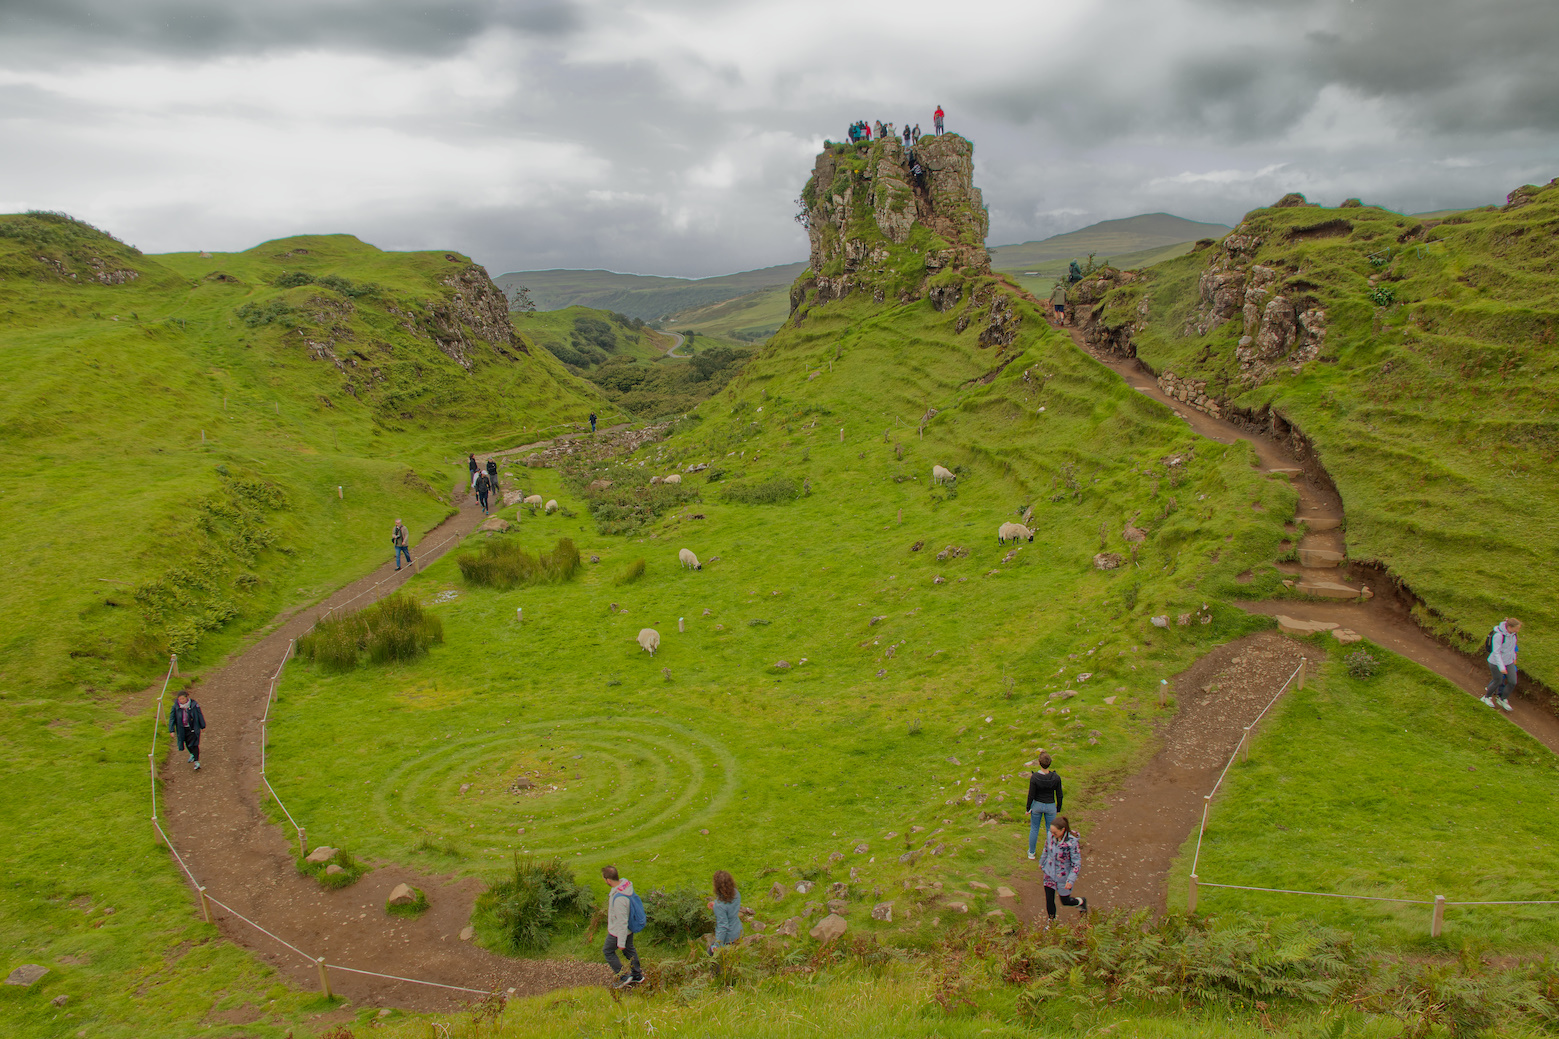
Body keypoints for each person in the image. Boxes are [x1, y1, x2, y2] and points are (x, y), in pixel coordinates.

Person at [601, 866, 644, 988]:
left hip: (618, 932)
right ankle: (637, 975)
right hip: (629, 929)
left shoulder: (619, 899)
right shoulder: (626, 885)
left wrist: (620, 942)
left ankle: (623, 977)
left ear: (608, 880)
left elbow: (622, 922)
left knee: (608, 951)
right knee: (630, 950)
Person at [1039, 816, 1087, 923]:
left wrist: (1070, 880)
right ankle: (1052, 921)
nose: (1052, 835)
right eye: (1051, 832)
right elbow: (1046, 849)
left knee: (1065, 901)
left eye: (1055, 833)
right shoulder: (1050, 836)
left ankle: (1080, 902)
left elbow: (1076, 863)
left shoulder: (1072, 843)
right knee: (1049, 899)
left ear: (1063, 830)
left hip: (1063, 877)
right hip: (1049, 873)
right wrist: (1041, 862)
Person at [1025, 752, 1063, 859]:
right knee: (1050, 830)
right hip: (1050, 806)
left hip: (1037, 805)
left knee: (1034, 828)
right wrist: (1058, 808)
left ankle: (1031, 853)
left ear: (1039, 763)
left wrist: (1028, 808)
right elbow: (1059, 795)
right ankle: (1051, 853)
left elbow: (1031, 794)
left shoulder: (1035, 777)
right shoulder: (1056, 778)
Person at [1482, 618, 1522, 712]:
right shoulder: (1499, 636)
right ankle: (1486, 697)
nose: (1518, 631)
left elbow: (1512, 648)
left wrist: (1514, 658)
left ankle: (1502, 699)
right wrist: (1501, 667)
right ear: (1510, 627)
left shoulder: (1513, 634)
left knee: (1513, 682)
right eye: (1516, 628)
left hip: (1508, 662)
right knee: (1498, 681)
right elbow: (1496, 653)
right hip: (1496, 663)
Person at [169, 691, 207, 771]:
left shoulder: (194, 705)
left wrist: (202, 725)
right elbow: (172, 718)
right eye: (180, 699)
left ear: (186, 697)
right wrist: (171, 730)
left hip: (193, 727)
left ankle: (196, 761)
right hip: (182, 728)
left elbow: (199, 714)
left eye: (183, 698)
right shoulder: (175, 707)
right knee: (187, 743)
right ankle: (192, 754)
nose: (182, 700)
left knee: (195, 744)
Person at [708, 870, 742, 953]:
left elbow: (722, 927)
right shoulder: (736, 893)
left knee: (711, 955)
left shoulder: (720, 906)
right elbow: (729, 908)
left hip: (728, 939)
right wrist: (715, 906)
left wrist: (717, 945)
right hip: (738, 932)